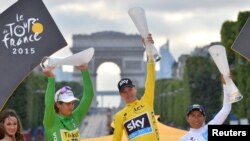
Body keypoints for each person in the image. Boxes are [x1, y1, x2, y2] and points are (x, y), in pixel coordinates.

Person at [113, 34, 160, 141]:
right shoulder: (119, 116)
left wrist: (149, 50)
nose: (128, 93)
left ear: (135, 89)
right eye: (124, 92)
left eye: (129, 89)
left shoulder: (147, 100)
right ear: (121, 95)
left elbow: (151, 78)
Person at [42, 64, 94, 141]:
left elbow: (88, 97)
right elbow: (49, 104)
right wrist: (51, 78)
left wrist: (85, 71)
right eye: (67, 103)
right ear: (58, 104)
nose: (71, 106)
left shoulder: (75, 117)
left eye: (72, 103)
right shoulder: (51, 121)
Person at [180, 76, 232, 141]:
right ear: (187, 119)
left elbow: (226, 109)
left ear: (204, 118)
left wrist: (226, 85)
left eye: (199, 115)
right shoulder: (184, 139)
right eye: (193, 116)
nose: (196, 119)